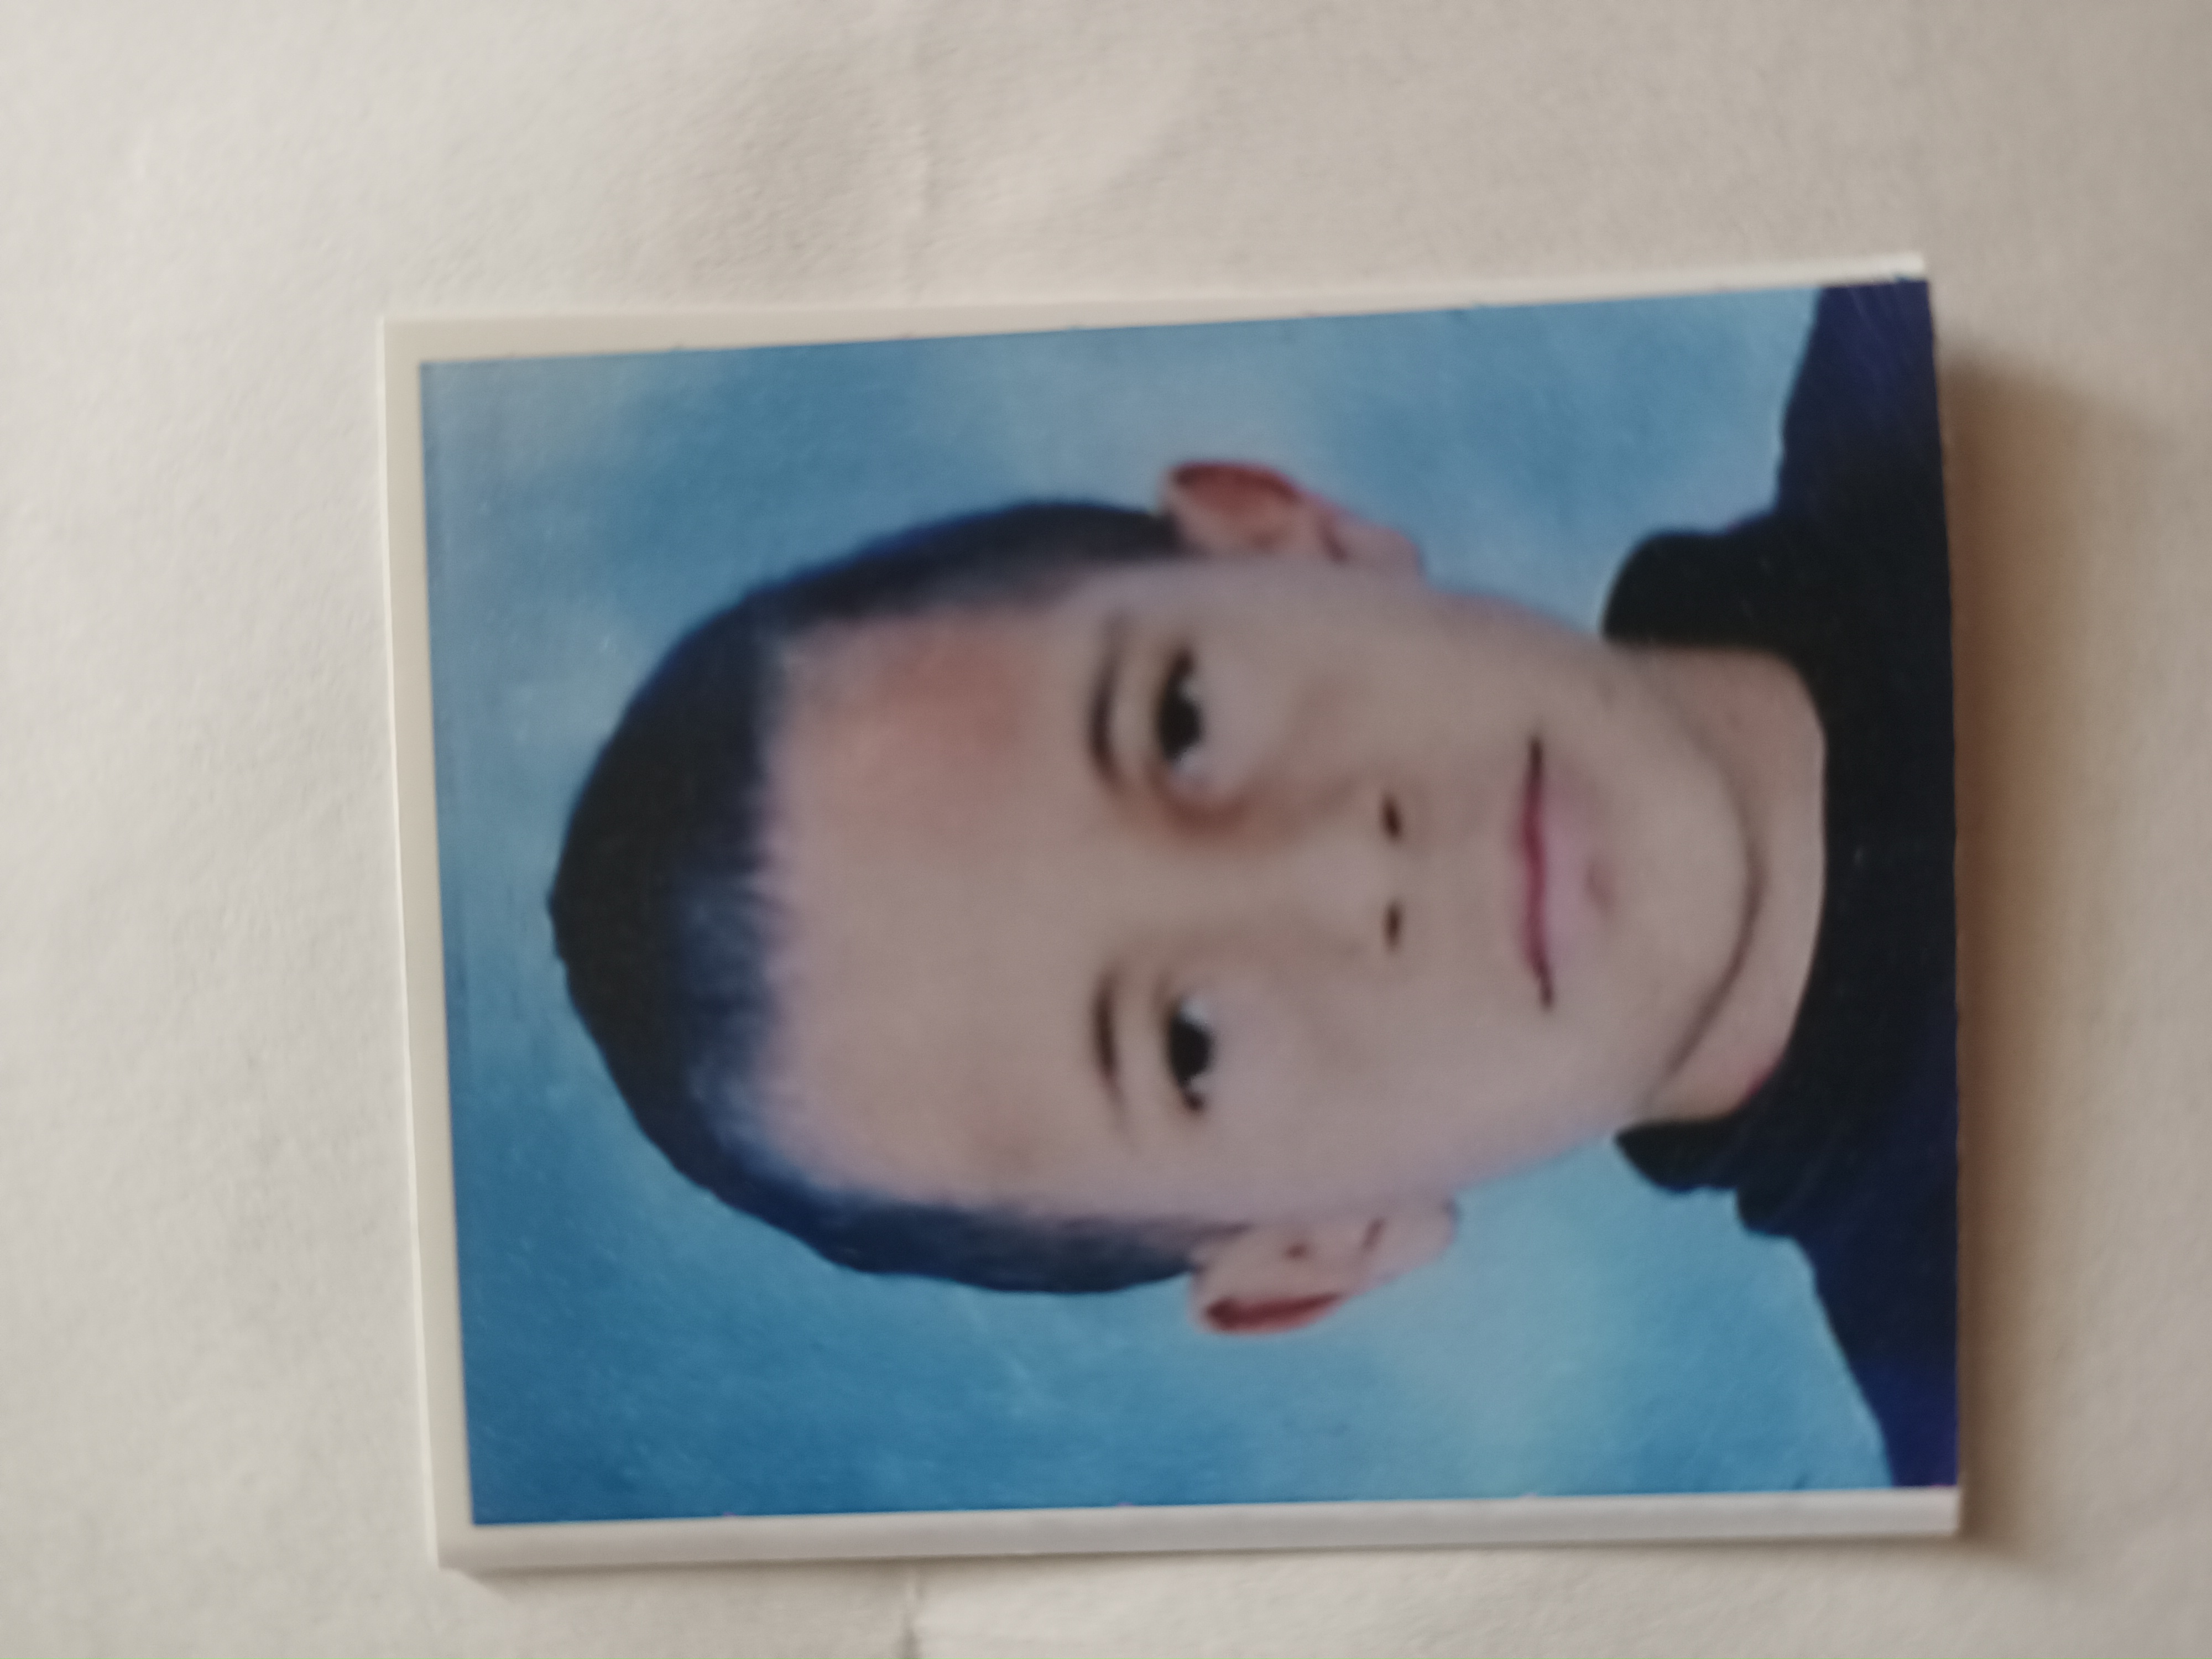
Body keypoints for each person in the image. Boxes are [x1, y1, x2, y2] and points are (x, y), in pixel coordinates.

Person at [549, 281, 1956, 1485]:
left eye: (1177, 724)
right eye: (1187, 1043)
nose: (1347, 872)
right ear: (1310, 1255)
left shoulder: (1942, 319)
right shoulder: (2008, 1418)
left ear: (1280, 530)